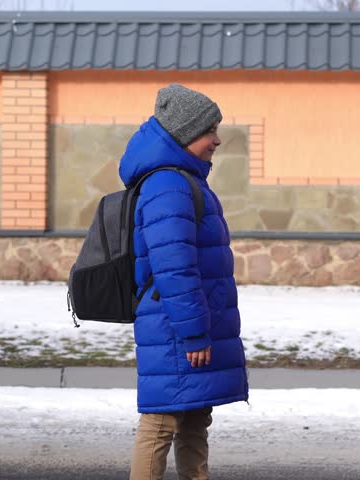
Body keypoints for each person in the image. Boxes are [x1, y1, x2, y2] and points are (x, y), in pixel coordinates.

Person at [121, 84, 248, 480]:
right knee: (161, 423)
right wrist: (194, 333)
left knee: (195, 417)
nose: (217, 139)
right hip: (177, 326)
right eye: (210, 129)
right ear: (186, 132)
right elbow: (173, 266)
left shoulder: (181, 179)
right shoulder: (168, 184)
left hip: (186, 323)